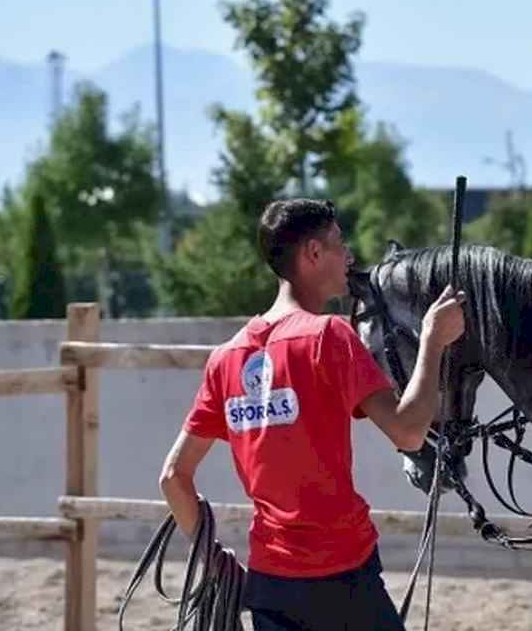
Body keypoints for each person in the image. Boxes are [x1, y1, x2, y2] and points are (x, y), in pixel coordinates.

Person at [158, 198, 465, 630]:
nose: (350, 256)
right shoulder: (329, 336)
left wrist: (216, 563)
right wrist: (433, 342)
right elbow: (410, 433)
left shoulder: (225, 359)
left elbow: (173, 477)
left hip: (269, 583)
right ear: (313, 255)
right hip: (342, 577)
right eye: (340, 243)